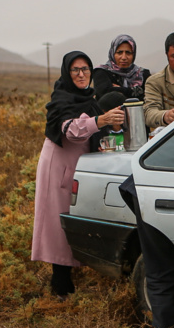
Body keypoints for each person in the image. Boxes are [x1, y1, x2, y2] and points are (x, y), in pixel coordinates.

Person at [31, 51, 126, 297]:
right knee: (58, 222)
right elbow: (71, 131)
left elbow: (96, 129)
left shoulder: (89, 98)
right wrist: (100, 120)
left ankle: (67, 279)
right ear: (67, 72)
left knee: (76, 219)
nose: (82, 74)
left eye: (86, 69)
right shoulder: (61, 99)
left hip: (79, 166)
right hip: (59, 167)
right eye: (76, 70)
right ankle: (60, 284)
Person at [91, 34, 150, 102]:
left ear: (133, 54)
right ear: (113, 53)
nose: (124, 57)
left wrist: (120, 90)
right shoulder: (101, 72)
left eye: (128, 53)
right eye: (119, 53)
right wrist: (136, 92)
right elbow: (106, 97)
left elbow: (149, 97)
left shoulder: (143, 74)